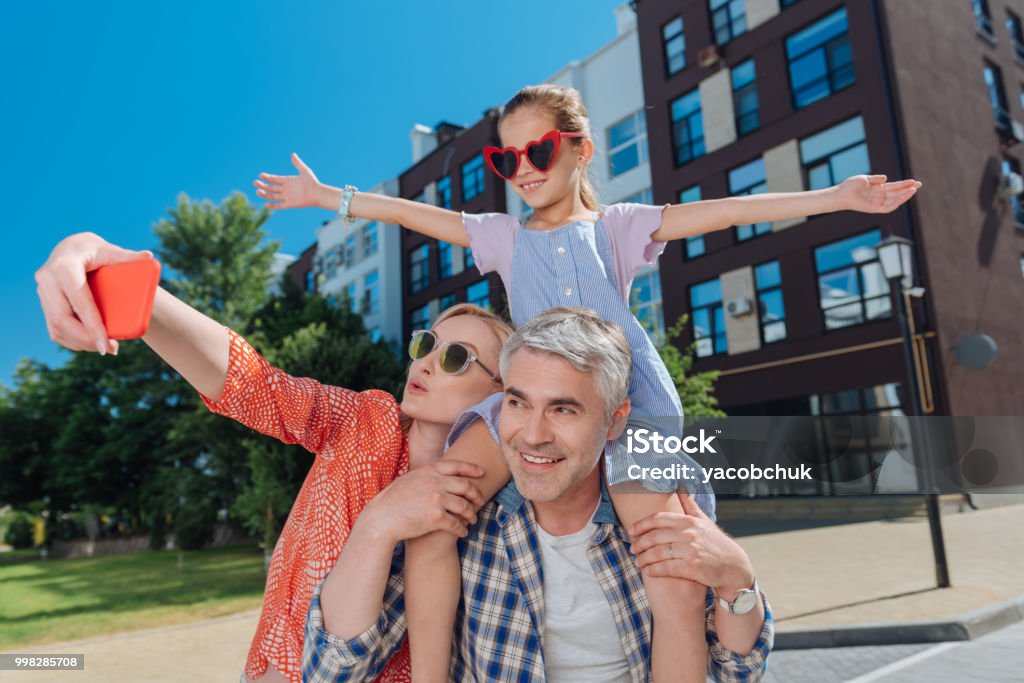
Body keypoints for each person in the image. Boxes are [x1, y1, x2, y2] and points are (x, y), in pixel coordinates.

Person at [255, 83, 922, 682]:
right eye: (504, 160)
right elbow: (407, 215)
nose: (520, 170)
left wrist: (835, 199)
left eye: (538, 152)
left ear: (581, 150)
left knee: (671, 560)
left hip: (627, 405)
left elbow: (723, 211)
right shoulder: (501, 237)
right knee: (438, 510)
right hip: (531, 396)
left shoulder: (616, 229)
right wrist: (327, 197)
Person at [34, 234, 514, 683]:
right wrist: (132, 285)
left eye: (457, 357)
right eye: (425, 343)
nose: (427, 361)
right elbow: (257, 387)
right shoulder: (364, 418)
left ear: (498, 393)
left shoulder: (495, 498)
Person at [304, 307, 774, 682]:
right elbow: (332, 672)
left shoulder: (651, 520)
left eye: (563, 409)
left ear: (614, 420)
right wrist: (374, 525)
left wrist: (738, 579)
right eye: (517, 403)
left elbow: (736, 671)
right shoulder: (463, 524)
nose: (532, 435)